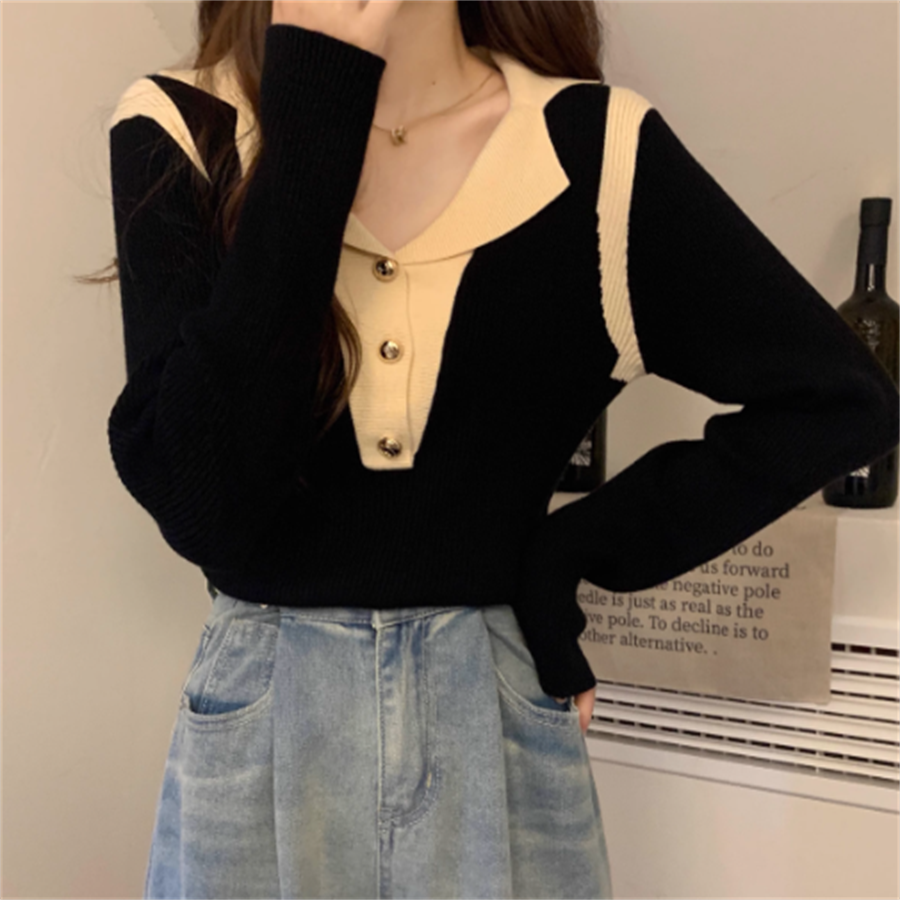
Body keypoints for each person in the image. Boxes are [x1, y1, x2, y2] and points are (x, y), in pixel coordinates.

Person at [101, 0, 900, 897]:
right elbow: (203, 503)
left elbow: (840, 402)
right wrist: (313, 112)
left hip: (493, 705)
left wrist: (566, 555)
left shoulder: (593, 152)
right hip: (261, 726)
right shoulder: (186, 128)